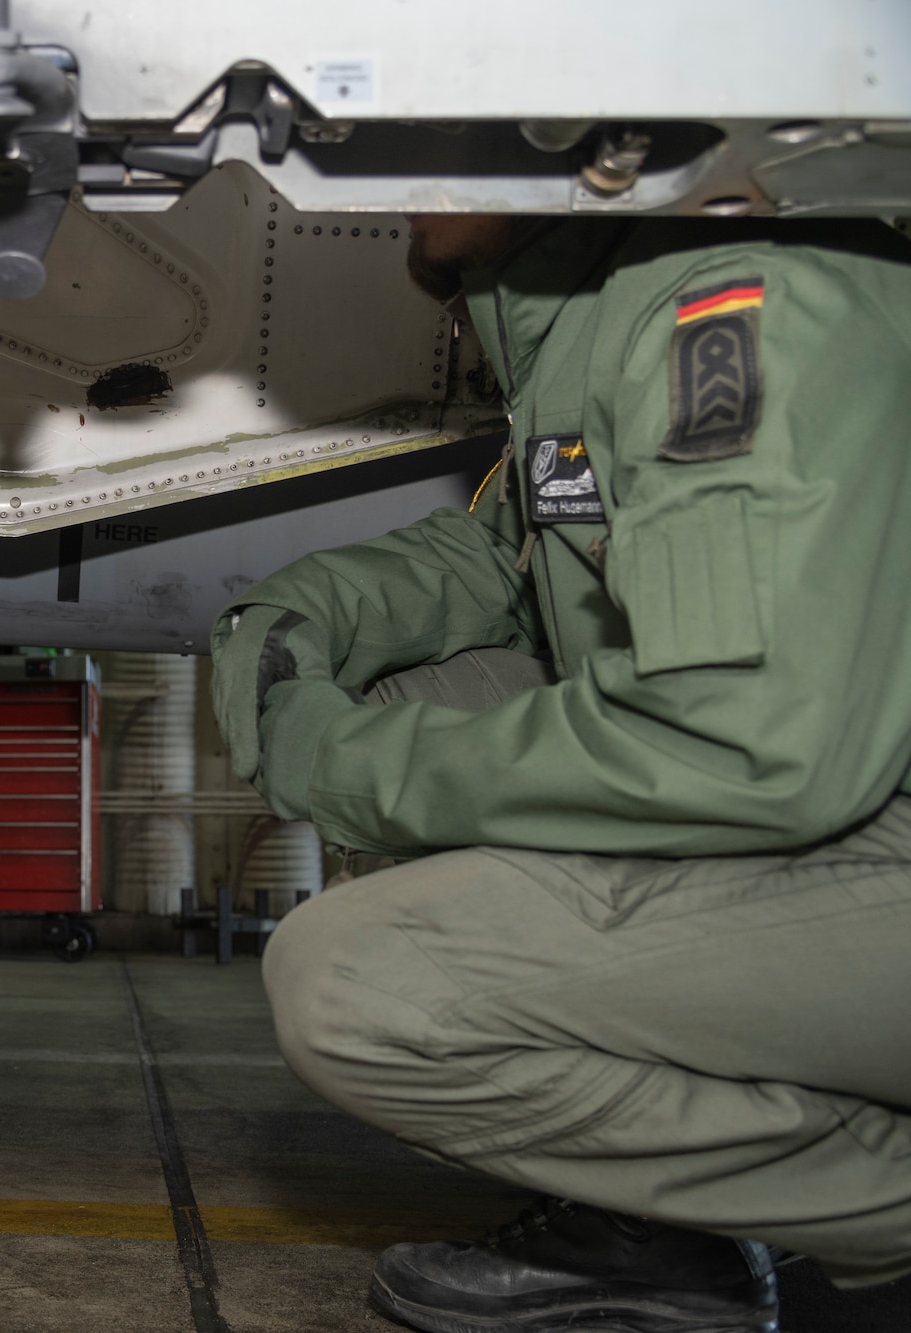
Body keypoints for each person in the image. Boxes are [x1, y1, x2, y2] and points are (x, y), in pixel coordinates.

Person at [208, 213, 911, 1332]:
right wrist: (290, 612)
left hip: (845, 813)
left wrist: (334, 762)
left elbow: (740, 746)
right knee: (411, 691)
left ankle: (860, 1202)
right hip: (849, 820)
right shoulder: (578, 317)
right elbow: (507, 552)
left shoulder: (732, 301)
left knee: (351, 984)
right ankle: (653, 1222)